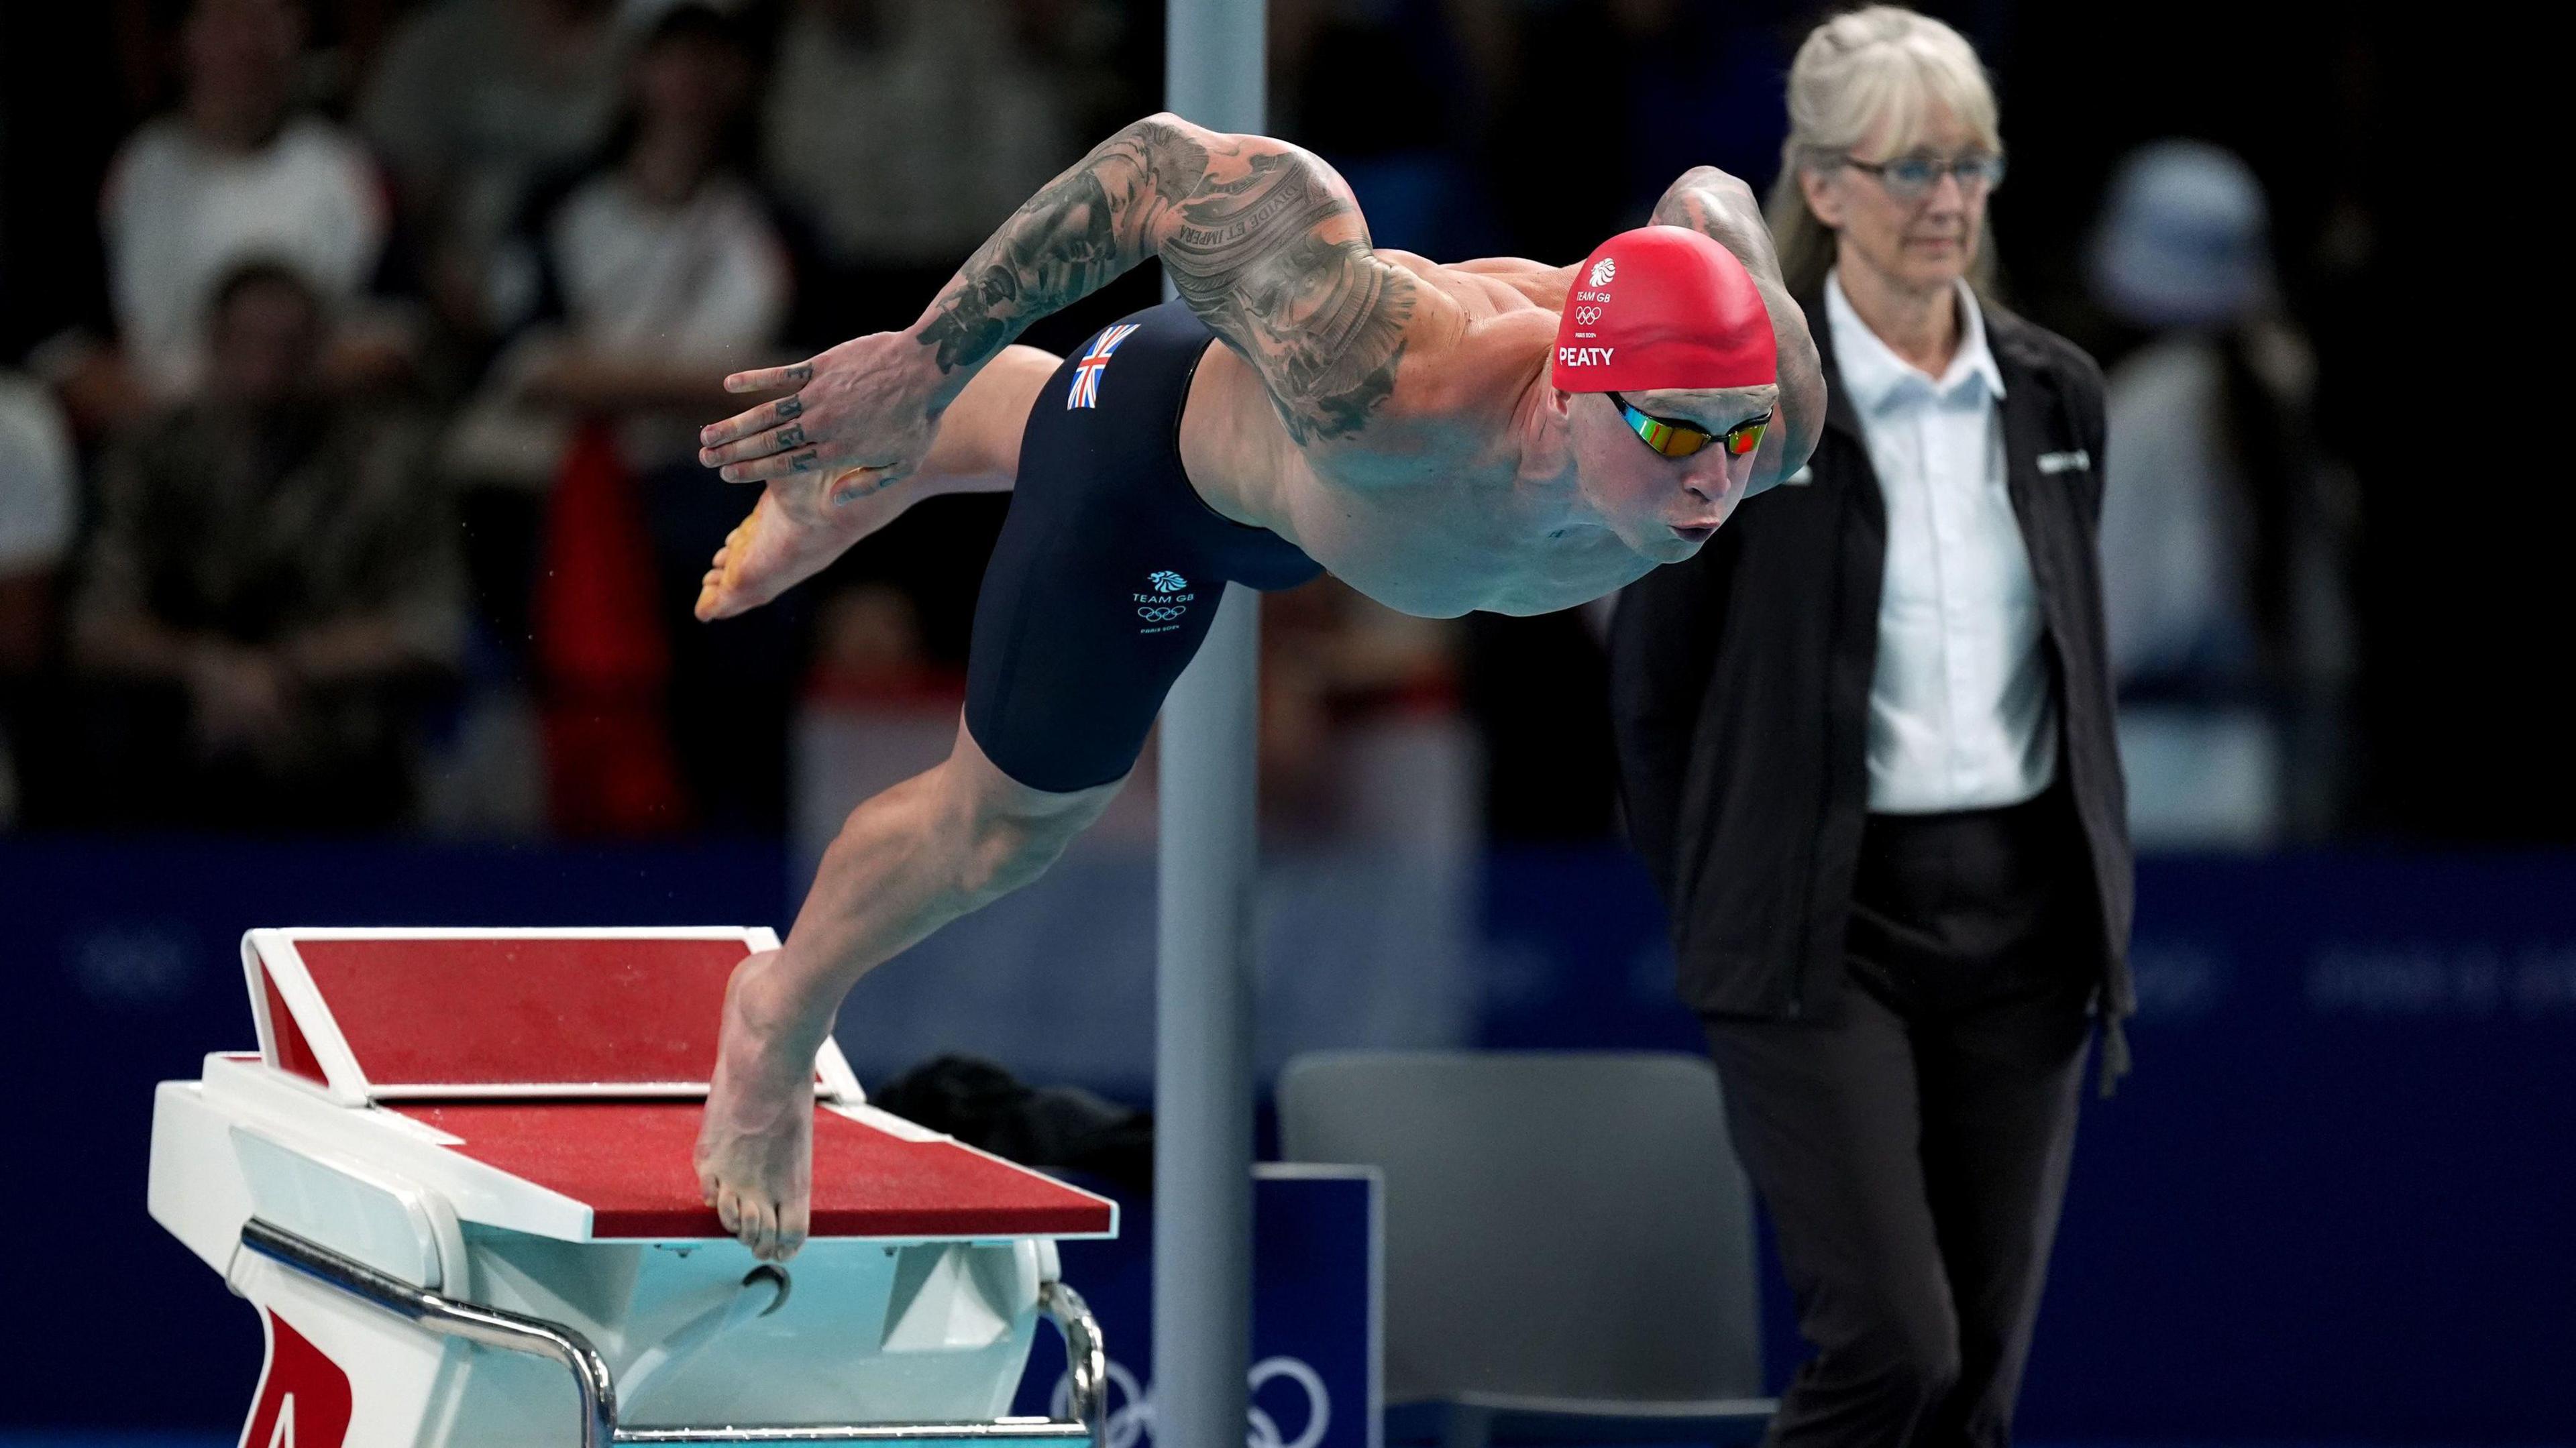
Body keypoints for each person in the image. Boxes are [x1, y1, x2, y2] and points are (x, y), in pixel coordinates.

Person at [680, 113, 1826, 1260]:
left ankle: (904, 456)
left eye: (1740, 433)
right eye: (1674, 433)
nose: (1715, 480)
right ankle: (776, 1016)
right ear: (1573, 391)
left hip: (1308, 515)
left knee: (1267, 484)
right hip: (1154, 474)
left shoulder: (1767, 414)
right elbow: (1159, 170)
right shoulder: (1381, 370)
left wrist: (1726, 249)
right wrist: (920, 359)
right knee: (1004, 830)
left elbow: (1713, 192)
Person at [1609, 10, 2131, 1445]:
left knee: (1977, 1385)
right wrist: (1722, 893)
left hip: (2024, 929)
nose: (1946, 199)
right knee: (1891, 1346)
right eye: (1908, 167)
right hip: (1816, 923)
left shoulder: (2055, 392)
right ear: (1824, 185)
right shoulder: (1741, 405)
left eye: (1969, 162)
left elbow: (2075, 668)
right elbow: (1652, 693)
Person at [68, 262, 461, 828]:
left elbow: (432, 626)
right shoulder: (148, 457)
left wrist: (283, 671)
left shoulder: (390, 461)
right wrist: (208, 667)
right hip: (177, 743)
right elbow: (96, 626)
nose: (269, 361)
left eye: (290, 343)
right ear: (212, 343)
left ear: (322, 347)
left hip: (342, 754)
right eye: (248, 340)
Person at [2088, 140, 2357, 844]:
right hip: (2274, 776)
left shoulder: (2145, 408)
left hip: (2152, 786)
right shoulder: (2285, 386)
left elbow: (2109, 625)